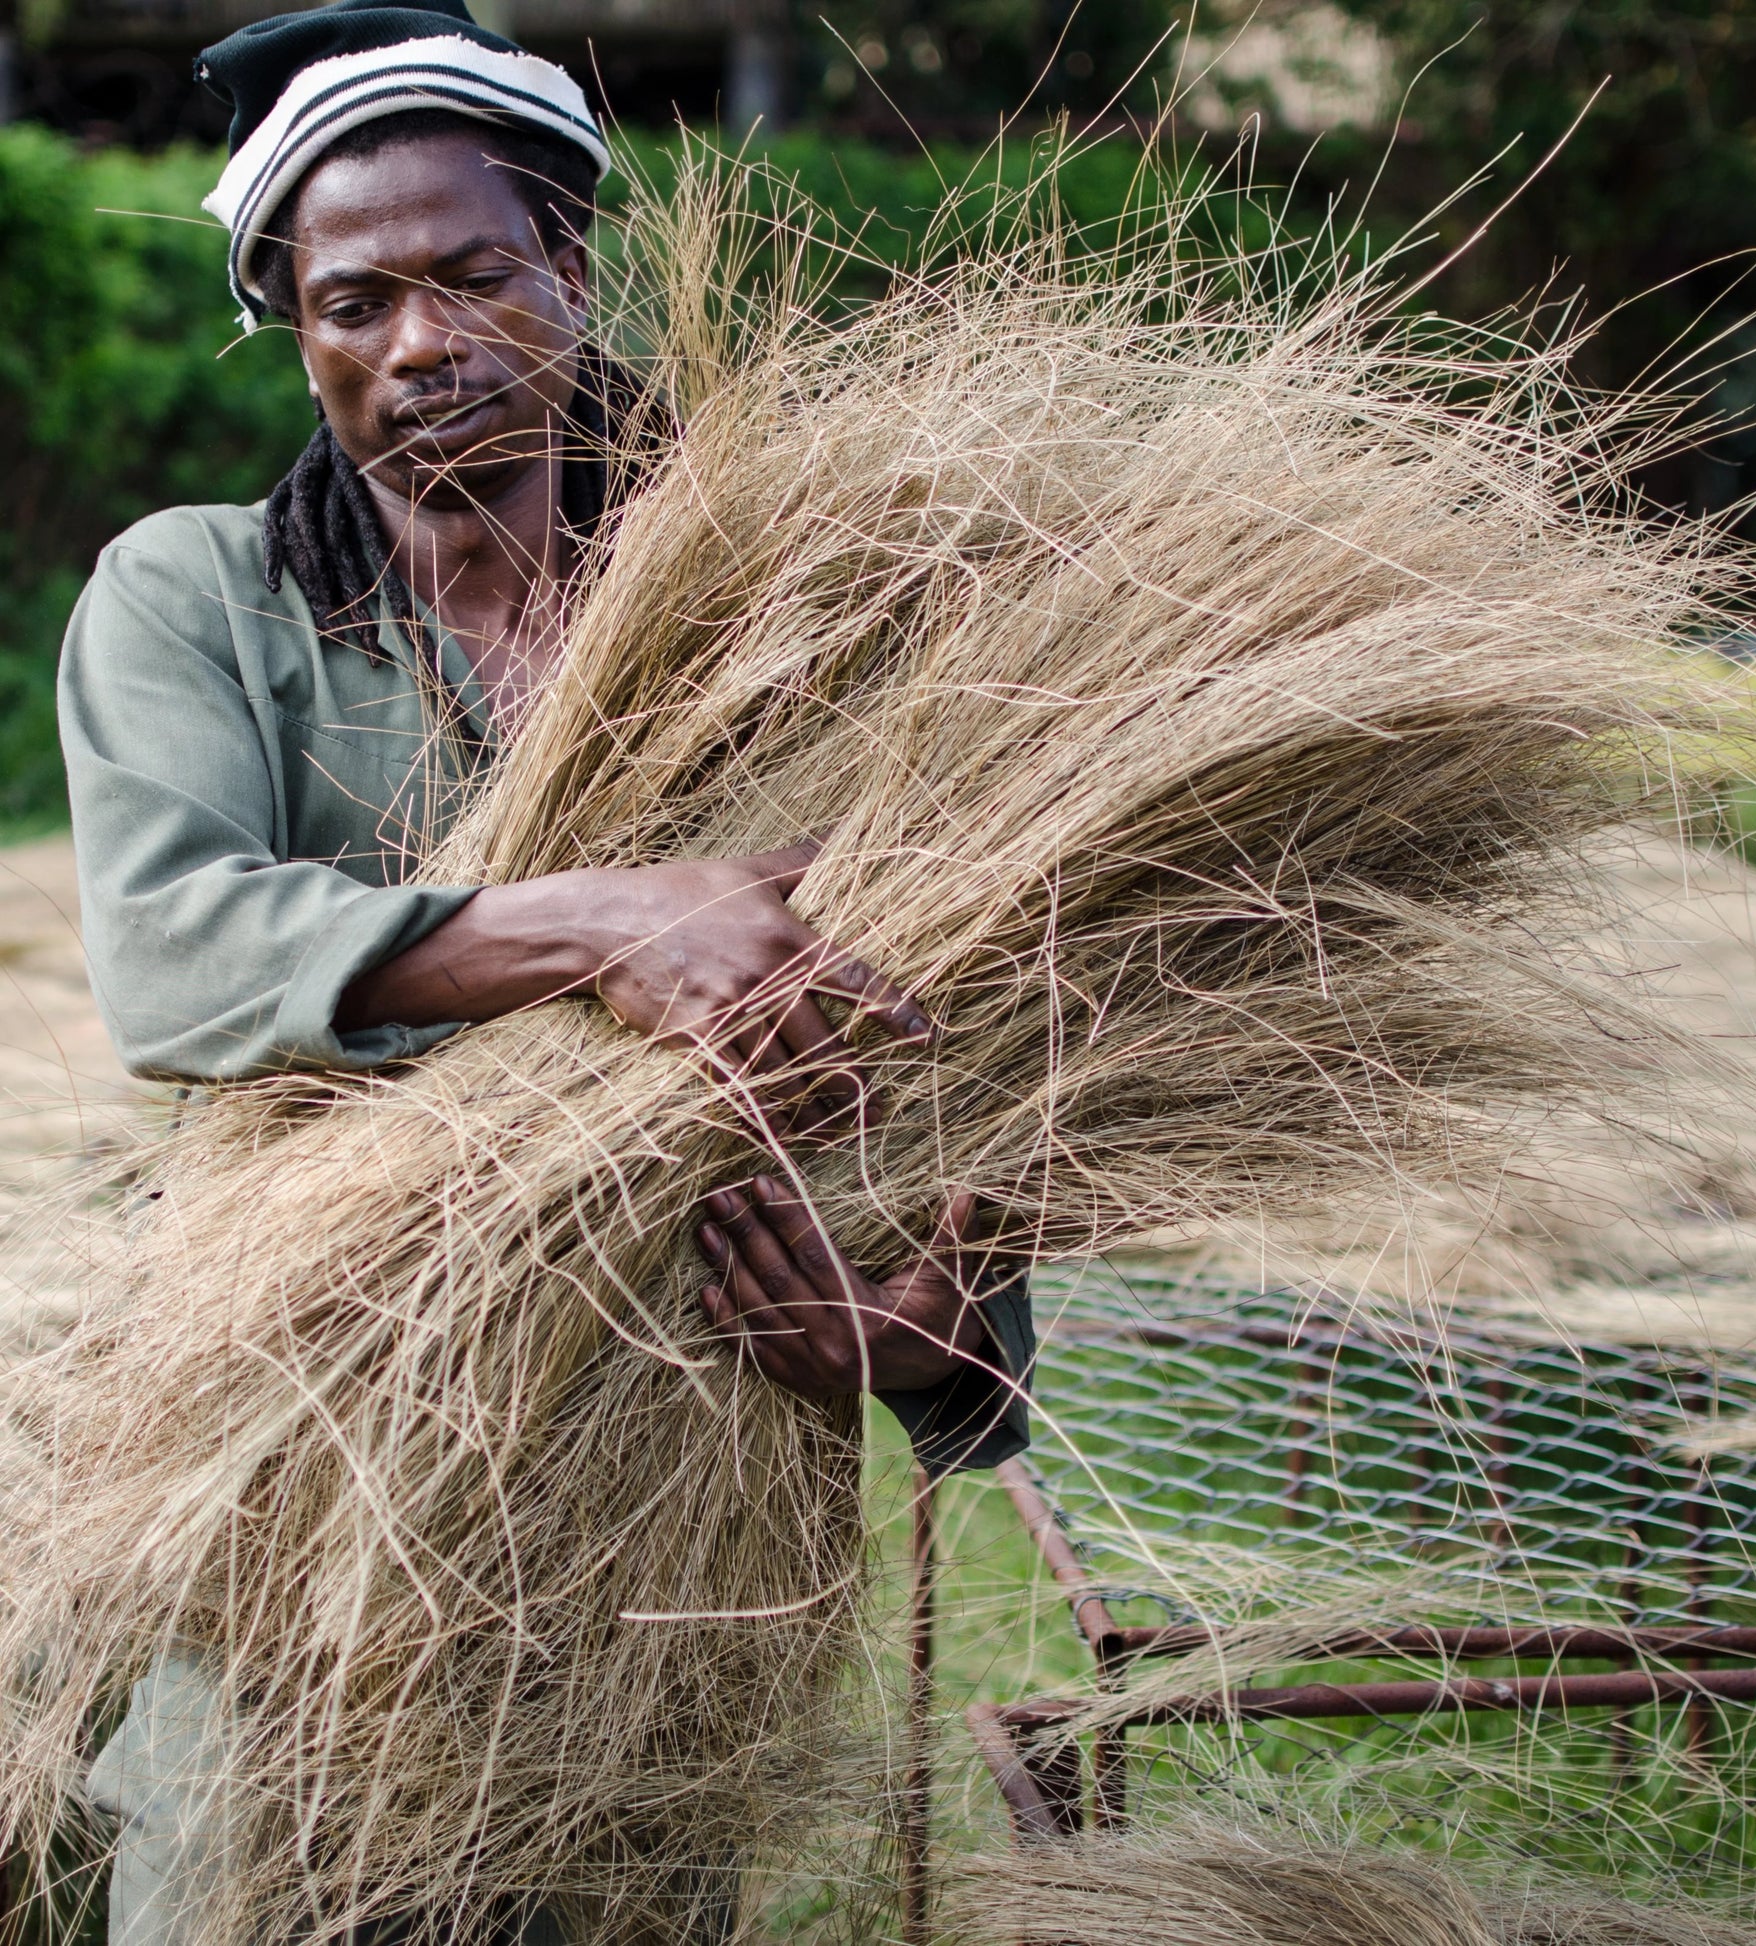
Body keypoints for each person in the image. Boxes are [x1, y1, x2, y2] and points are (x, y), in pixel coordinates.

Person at [55, 5, 1033, 1941]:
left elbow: (964, 1028)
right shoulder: (203, 596)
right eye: (351, 304)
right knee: (247, 1885)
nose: (420, 345)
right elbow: (174, 951)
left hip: (672, 1501)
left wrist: (928, 1341)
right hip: (304, 1467)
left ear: (572, 269)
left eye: (475, 275)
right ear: (295, 334)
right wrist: (607, 922)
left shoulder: (791, 625)